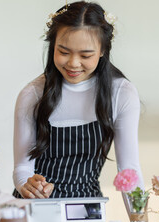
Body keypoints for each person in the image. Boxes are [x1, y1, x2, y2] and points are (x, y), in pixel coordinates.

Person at [12, 1, 144, 201]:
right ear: (52, 45)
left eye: (85, 55)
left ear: (102, 51)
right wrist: (28, 185)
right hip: (35, 208)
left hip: (86, 210)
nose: (73, 63)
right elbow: (22, 167)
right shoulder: (33, 94)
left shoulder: (121, 93)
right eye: (64, 52)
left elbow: (129, 170)